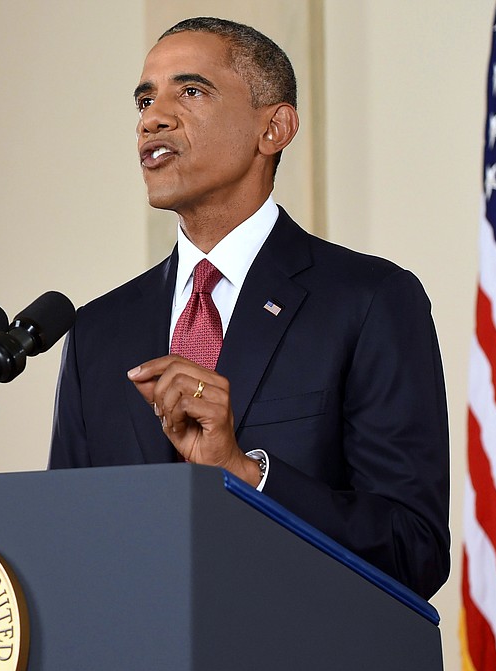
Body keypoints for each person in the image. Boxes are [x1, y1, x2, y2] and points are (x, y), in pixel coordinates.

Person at [49, 17, 450, 600]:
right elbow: (69, 543)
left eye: (190, 91)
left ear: (275, 128)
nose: (151, 118)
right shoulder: (97, 330)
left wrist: (245, 472)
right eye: (144, 98)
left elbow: (413, 548)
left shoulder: (371, 300)